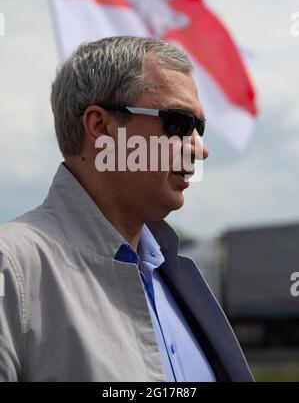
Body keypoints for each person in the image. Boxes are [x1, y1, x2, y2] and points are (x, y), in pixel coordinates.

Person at [0, 36, 253, 382]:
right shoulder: (13, 269)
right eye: (179, 124)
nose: (200, 149)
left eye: (200, 128)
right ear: (101, 127)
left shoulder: (172, 274)